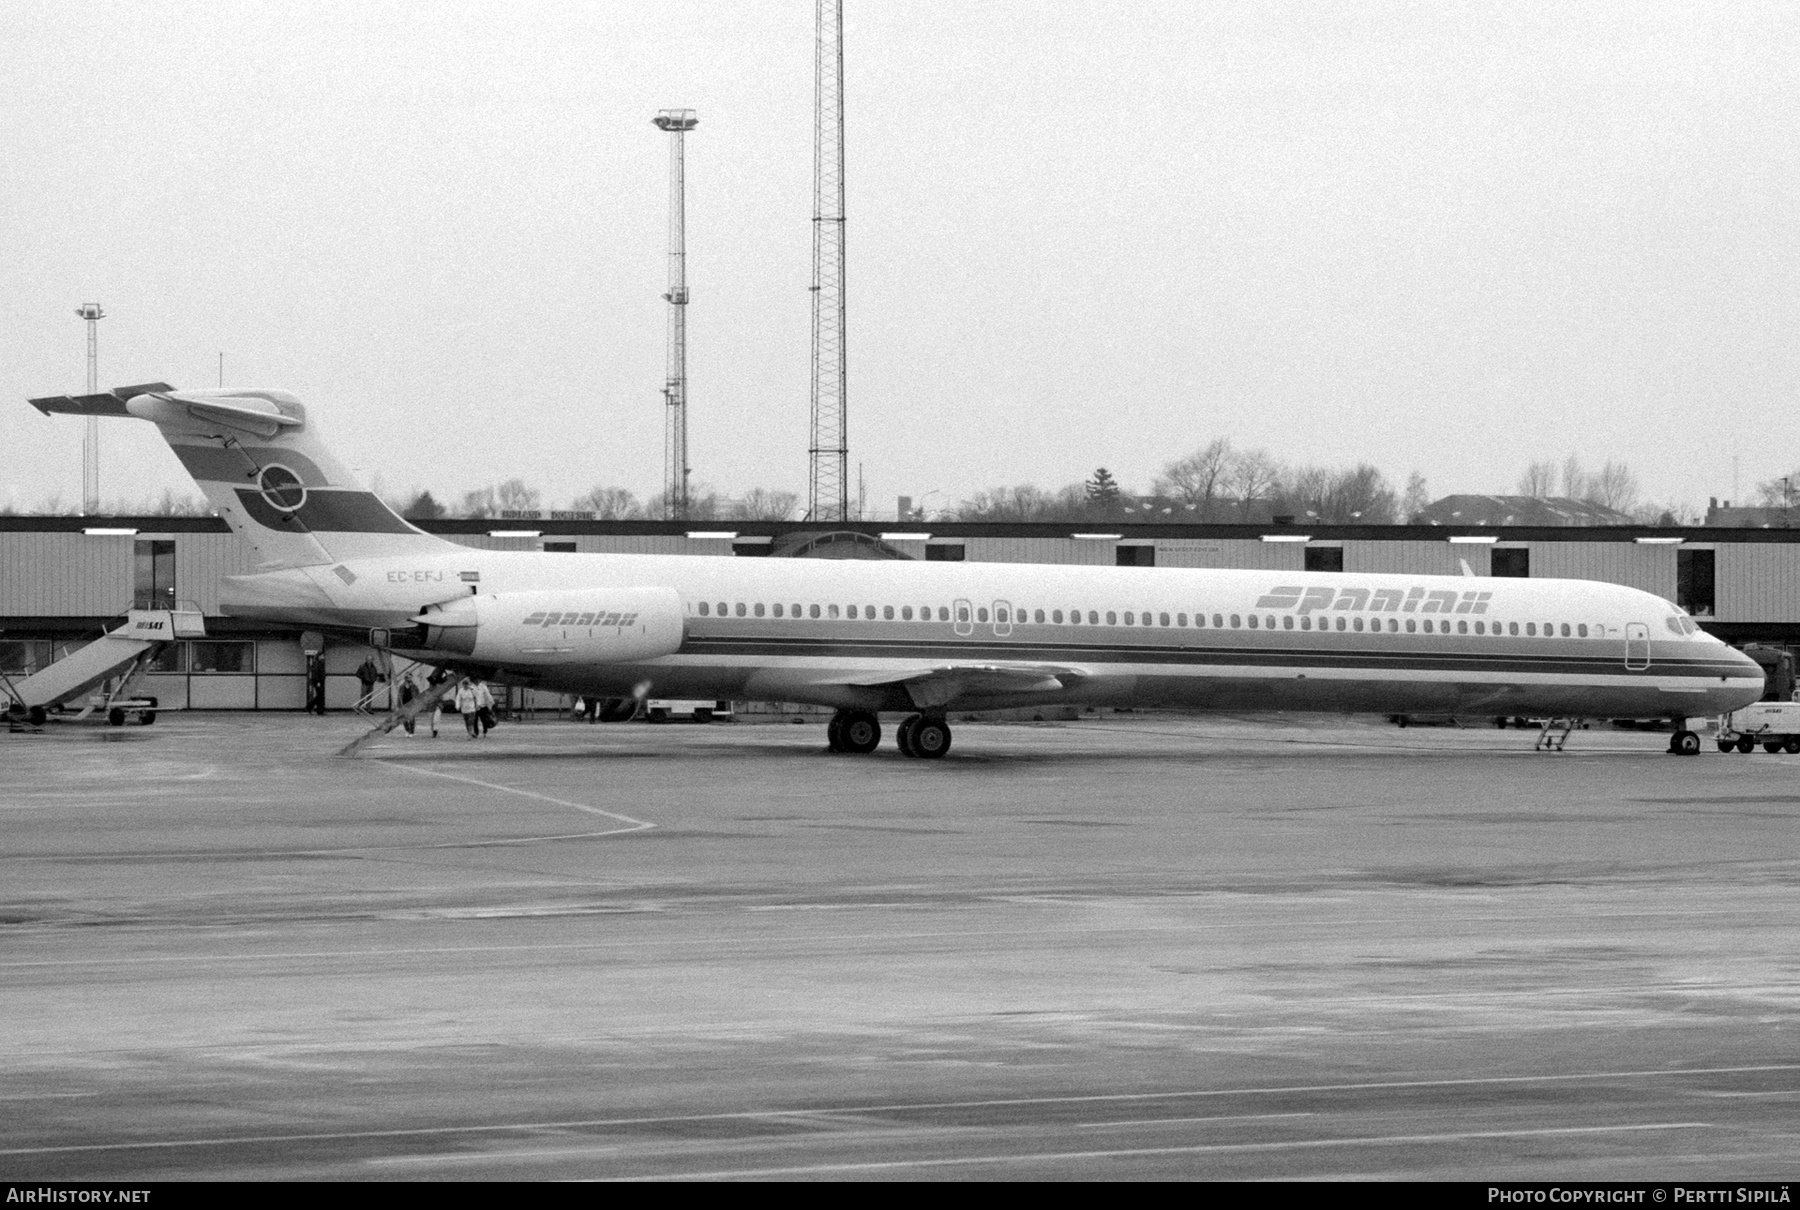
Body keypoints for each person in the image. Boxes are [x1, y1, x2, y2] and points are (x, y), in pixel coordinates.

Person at [426, 666, 451, 737]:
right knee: (432, 721)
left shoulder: (437, 686)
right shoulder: (433, 686)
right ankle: (434, 731)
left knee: (436, 719)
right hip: (431, 705)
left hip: (437, 704)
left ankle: (435, 731)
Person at [398, 671, 418, 736]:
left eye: (410, 678)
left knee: (412, 718)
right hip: (404, 704)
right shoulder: (401, 687)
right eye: (407, 678)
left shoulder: (414, 687)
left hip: (412, 704)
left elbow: (418, 695)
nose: (409, 679)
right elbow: (399, 696)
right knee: (404, 718)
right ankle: (407, 730)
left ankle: (411, 731)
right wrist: (399, 705)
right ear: (405, 678)